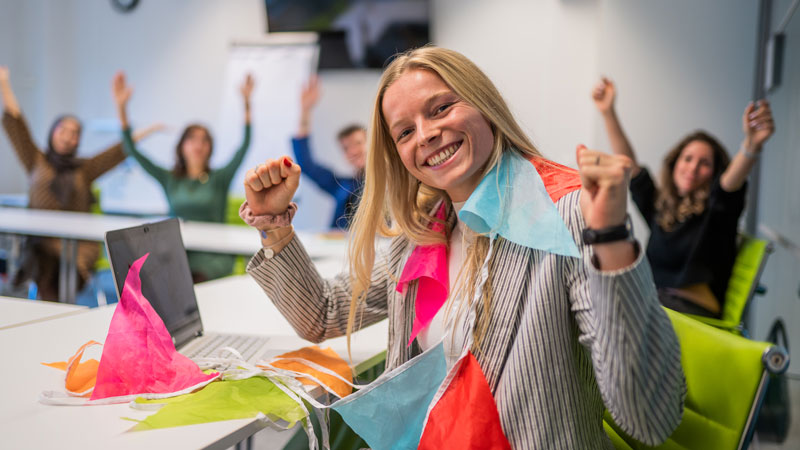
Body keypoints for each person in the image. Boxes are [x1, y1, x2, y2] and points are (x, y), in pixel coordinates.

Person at [239, 47, 684, 448]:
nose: (427, 134)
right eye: (405, 132)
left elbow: (648, 418)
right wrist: (274, 226)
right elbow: (324, 314)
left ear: (485, 106)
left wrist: (609, 237)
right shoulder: (423, 231)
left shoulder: (565, 214)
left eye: (441, 108)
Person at [592, 77, 775, 318]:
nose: (693, 167)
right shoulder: (661, 208)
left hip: (691, 314)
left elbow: (730, 185)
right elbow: (629, 167)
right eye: (687, 158)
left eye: (705, 163)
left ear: (716, 172)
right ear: (675, 162)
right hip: (656, 303)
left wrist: (751, 145)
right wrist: (608, 112)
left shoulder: (717, 211)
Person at [0, 66, 158, 301]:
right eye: (63, 129)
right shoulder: (36, 160)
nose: (67, 135)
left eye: (74, 132)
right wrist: (4, 85)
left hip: (77, 249)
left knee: (63, 281)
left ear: (78, 140)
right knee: (46, 273)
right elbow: (17, 125)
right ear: (53, 131)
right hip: (41, 247)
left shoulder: (85, 168)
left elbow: (119, 151)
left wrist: (139, 122)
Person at [112, 71, 255, 282]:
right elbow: (132, 151)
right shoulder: (170, 179)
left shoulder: (219, 178)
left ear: (210, 148)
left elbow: (244, 146)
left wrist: (246, 103)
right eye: (192, 139)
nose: (198, 145)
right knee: (145, 275)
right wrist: (122, 109)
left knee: (191, 280)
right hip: (178, 250)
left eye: (204, 140)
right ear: (182, 146)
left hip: (214, 253)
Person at [292, 76, 365, 230]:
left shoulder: (389, 184)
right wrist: (305, 111)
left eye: (358, 143)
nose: (352, 151)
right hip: (338, 252)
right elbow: (306, 164)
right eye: (346, 148)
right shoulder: (343, 186)